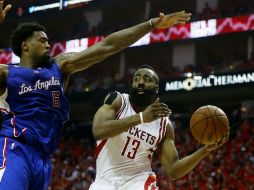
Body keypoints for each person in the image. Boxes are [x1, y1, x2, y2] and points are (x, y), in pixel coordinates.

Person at [0, 0, 191, 189]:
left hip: (44, 159)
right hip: (15, 146)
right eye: (42, 41)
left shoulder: (59, 67)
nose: (49, 45)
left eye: (48, 40)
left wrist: (151, 24)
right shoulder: (6, 73)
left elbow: (108, 46)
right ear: (25, 46)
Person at [91, 65, 229, 189]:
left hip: (138, 181)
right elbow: (98, 130)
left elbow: (174, 170)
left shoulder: (164, 125)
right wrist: (141, 118)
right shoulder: (118, 101)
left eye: (147, 79)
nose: (140, 82)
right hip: (105, 181)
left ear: (156, 88)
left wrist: (205, 150)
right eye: (137, 79)